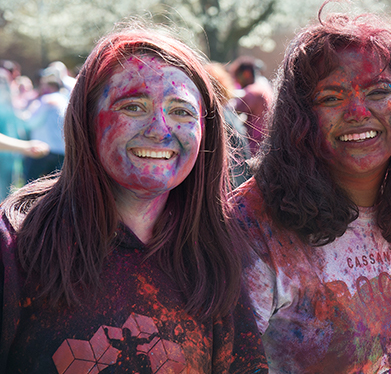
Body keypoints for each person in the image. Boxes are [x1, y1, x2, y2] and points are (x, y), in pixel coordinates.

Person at [0, 25, 265, 371]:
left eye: (181, 111)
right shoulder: (16, 247)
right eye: (133, 106)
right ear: (87, 119)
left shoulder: (214, 255)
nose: (159, 129)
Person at [232, 5, 391, 372]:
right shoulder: (251, 228)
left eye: (378, 92)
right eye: (331, 97)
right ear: (299, 117)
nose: (358, 111)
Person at [18, 72, 68, 182]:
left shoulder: (46, 100)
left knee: (30, 185)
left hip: (41, 149)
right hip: (61, 151)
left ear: (51, 86)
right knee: (54, 189)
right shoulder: (66, 101)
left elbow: (31, 123)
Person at [230, 56, 274, 155]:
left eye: (237, 76)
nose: (237, 81)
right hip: (265, 144)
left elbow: (232, 109)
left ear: (246, 74)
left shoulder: (252, 92)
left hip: (255, 148)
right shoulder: (264, 87)